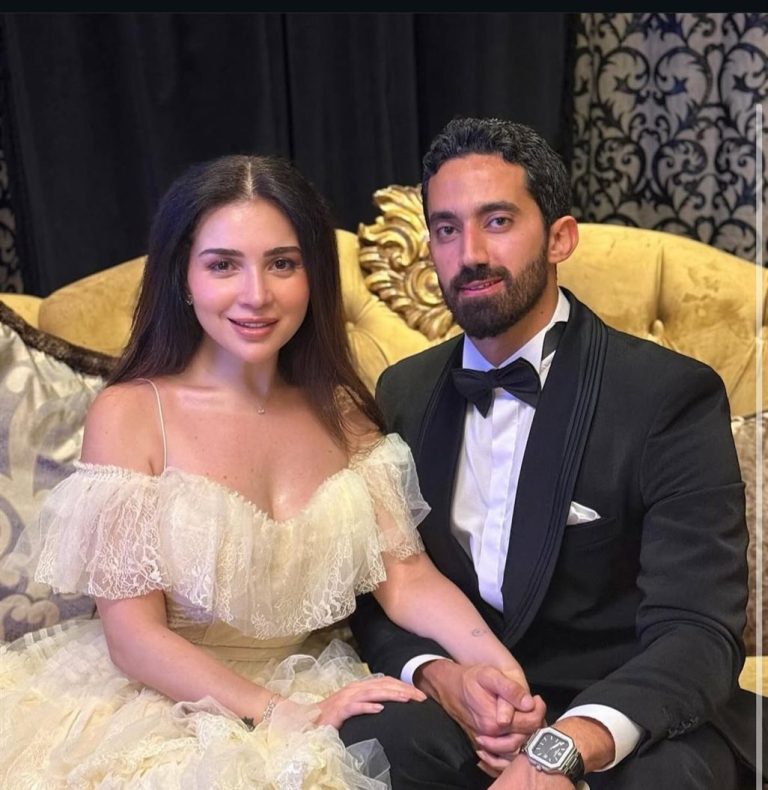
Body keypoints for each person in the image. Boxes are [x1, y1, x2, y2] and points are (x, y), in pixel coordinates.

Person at [0, 154, 537, 788]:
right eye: (223, 265)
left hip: (317, 676)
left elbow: (408, 579)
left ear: (313, 277)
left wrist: (504, 675)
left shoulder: (343, 410)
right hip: (169, 700)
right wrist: (286, 714)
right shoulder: (132, 414)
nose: (256, 295)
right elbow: (135, 638)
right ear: (183, 277)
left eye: (282, 264)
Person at [348, 118, 760, 788]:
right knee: (374, 742)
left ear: (560, 237)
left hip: (626, 715)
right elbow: (378, 592)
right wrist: (442, 676)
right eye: (447, 229)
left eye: (498, 221)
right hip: (468, 711)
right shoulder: (404, 392)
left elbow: (697, 629)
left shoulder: (668, 395)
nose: (469, 252)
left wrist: (565, 746)